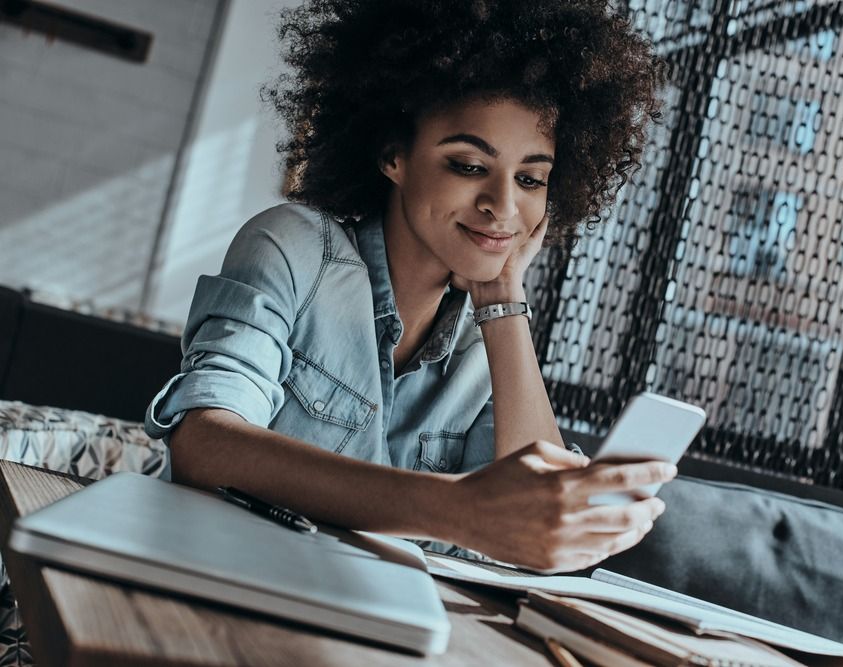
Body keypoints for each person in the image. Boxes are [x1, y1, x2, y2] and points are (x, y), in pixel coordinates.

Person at [145, 0, 672, 573]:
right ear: (394, 154)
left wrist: (502, 300)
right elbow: (204, 443)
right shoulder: (292, 249)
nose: (502, 205)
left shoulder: (486, 338)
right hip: (224, 583)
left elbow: (543, 544)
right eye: (469, 165)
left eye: (530, 178)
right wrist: (453, 509)